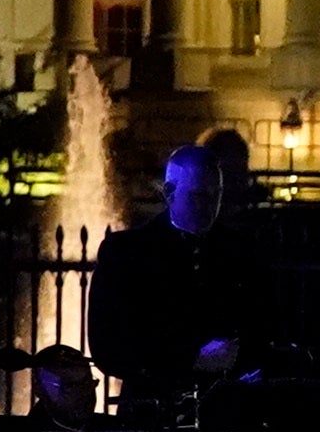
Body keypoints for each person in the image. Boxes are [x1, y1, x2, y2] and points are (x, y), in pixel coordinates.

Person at [90, 142, 272, 408]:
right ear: (169, 192)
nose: (210, 206)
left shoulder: (241, 251)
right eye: (199, 196)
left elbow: (262, 326)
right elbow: (108, 346)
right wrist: (191, 358)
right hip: (152, 409)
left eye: (216, 195)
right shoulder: (127, 253)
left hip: (226, 408)